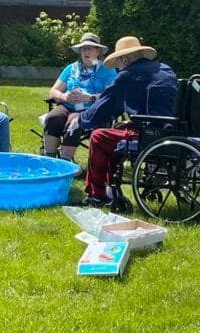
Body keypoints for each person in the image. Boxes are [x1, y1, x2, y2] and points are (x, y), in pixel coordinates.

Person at [67, 36, 177, 207]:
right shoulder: (165, 69)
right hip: (173, 129)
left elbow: (106, 103)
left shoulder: (128, 75)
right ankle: (112, 189)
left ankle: (96, 195)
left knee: (98, 136)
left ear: (125, 58)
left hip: (150, 134)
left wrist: (80, 120)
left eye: (118, 62)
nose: (117, 67)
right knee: (116, 132)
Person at [41, 33, 116, 161]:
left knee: (75, 122)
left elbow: (112, 95)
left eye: (90, 48)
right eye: (83, 48)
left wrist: (90, 97)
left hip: (92, 109)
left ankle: (65, 163)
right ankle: (50, 160)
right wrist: (64, 96)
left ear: (98, 51)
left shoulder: (107, 70)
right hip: (68, 105)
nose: (86, 51)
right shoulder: (71, 68)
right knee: (52, 117)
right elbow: (53, 91)